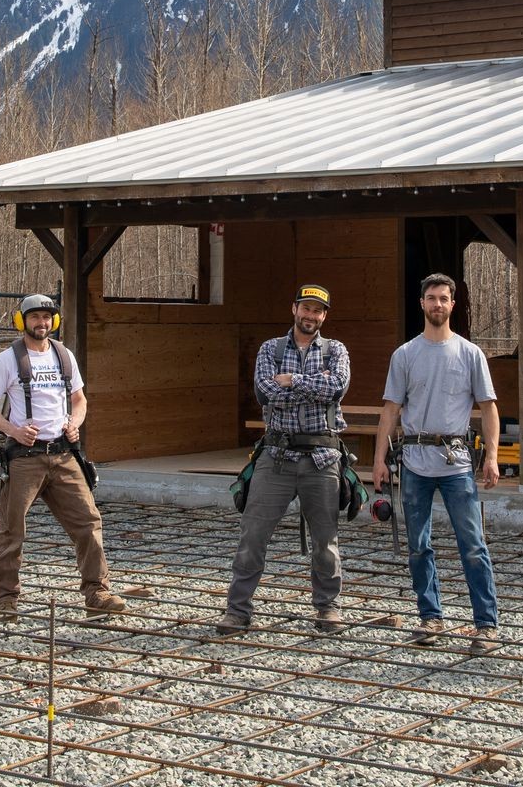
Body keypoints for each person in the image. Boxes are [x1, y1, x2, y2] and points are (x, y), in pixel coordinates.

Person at [0, 293, 127, 618]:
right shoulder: (8, 360)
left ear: (53, 321)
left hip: (62, 454)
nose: (41, 323)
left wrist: (75, 424)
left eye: (46, 317)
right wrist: (12, 430)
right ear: (22, 321)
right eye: (34, 318)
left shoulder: (64, 356)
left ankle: (97, 595)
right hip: (23, 458)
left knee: (88, 522)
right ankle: (6, 599)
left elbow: (80, 400)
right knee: (11, 528)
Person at [211, 284, 352, 636]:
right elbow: (264, 391)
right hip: (275, 457)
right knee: (252, 537)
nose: (311, 315)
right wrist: (311, 385)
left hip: (323, 458)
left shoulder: (336, 350)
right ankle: (237, 610)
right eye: (305, 308)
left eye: (317, 311)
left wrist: (292, 381)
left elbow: (337, 387)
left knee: (326, 542)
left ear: (324, 316)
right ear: (294, 309)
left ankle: (328, 608)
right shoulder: (270, 349)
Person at [372, 273, 502, 652]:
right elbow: (390, 410)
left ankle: (486, 625)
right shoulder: (405, 355)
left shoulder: (470, 353)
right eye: (431, 298)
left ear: (452, 304)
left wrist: (492, 456)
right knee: (418, 546)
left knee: (473, 545)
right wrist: (379, 460)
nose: (437, 305)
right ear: (422, 304)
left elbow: (489, 408)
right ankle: (430, 617)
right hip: (415, 463)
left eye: (444, 298)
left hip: (458, 464)